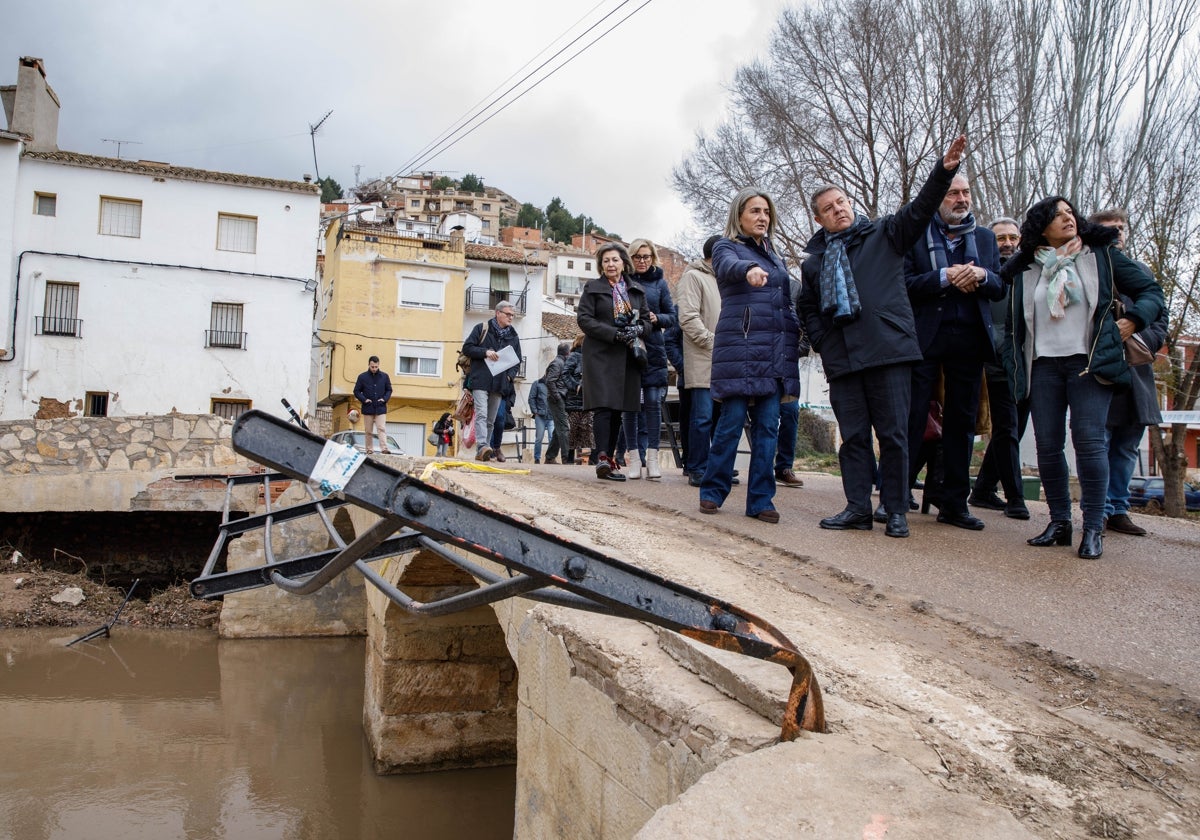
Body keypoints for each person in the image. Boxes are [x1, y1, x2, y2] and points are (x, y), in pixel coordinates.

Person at [798, 134, 968, 539]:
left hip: (888, 351)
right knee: (853, 438)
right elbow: (807, 307)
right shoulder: (815, 262)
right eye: (828, 209)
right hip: (843, 360)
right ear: (818, 220)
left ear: (850, 204)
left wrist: (943, 171)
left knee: (893, 436)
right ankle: (856, 507)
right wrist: (824, 341)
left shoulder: (885, 233)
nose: (837, 210)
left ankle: (894, 511)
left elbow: (922, 207)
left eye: (841, 202)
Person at [1002, 197, 1164, 559]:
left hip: (1088, 364)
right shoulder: (1027, 266)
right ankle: (1059, 522)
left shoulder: (1100, 256)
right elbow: (1009, 314)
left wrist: (1133, 321)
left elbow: (1152, 293)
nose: (1067, 218)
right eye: (1057, 215)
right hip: (1042, 365)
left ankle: (1093, 527)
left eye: (1069, 212)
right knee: (1047, 446)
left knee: (1089, 443)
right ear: (1041, 226)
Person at [902, 174, 1005, 530]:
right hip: (926, 338)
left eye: (965, 192)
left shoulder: (985, 238)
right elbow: (906, 284)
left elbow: (999, 285)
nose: (961, 199)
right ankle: (897, 494)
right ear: (937, 199)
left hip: (970, 341)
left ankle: (954, 503)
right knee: (913, 417)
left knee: (962, 425)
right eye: (953, 193)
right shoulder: (916, 236)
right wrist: (945, 276)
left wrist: (980, 274)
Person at [701, 188, 803, 524]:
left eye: (766, 212)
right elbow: (729, 266)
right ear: (739, 215)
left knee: (768, 429)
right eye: (755, 211)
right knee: (730, 424)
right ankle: (712, 492)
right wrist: (747, 270)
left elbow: (785, 302)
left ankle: (761, 500)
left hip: (774, 352)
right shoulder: (725, 247)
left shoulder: (774, 254)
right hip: (742, 350)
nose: (762, 217)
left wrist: (798, 334)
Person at [1090, 208, 1169, 537]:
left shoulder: (1140, 272)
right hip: (1101, 369)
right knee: (1100, 442)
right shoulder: (1089, 269)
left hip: (1136, 370)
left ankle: (1118, 508)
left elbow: (1159, 319)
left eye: (1121, 228)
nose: (1117, 233)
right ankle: (1100, 509)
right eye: (1109, 228)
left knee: (1126, 446)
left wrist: (1136, 339)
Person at [969, 217, 1031, 520]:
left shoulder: (1030, 273)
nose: (1007, 243)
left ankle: (982, 489)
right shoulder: (983, 274)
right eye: (1000, 238)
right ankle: (1016, 497)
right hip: (994, 364)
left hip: (1029, 363)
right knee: (1006, 428)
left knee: (1013, 431)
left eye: (1012, 237)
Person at [577, 242, 651, 480]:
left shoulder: (636, 290)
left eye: (615, 260)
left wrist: (638, 328)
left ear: (623, 263)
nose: (611, 264)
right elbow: (584, 320)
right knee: (603, 406)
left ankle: (608, 459)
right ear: (601, 265)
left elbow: (648, 322)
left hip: (628, 356)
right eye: (606, 260)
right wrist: (613, 333)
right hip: (600, 354)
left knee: (619, 409)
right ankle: (601, 457)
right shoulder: (593, 288)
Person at [622, 239, 677, 480]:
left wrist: (657, 318)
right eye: (637, 257)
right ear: (630, 259)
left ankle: (653, 459)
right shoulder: (622, 282)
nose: (642, 261)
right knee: (630, 407)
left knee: (654, 404)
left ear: (652, 258)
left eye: (646, 256)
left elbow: (672, 316)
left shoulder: (660, 283)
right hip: (628, 349)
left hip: (654, 349)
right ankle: (634, 458)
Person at [676, 235, 722, 487]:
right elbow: (688, 318)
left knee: (719, 418)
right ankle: (696, 466)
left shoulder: (724, 280)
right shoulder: (693, 277)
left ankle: (713, 466)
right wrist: (712, 341)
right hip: (704, 357)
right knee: (702, 416)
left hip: (724, 360)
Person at [462, 301, 521, 462]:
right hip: (480, 379)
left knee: (491, 419)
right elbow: (467, 348)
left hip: (500, 382)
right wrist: (485, 352)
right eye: (508, 314)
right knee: (481, 414)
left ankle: (484, 449)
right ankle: (482, 446)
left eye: (512, 315)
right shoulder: (482, 328)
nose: (511, 317)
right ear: (498, 313)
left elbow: (517, 361)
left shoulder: (513, 336)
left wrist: (509, 376)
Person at [353, 355, 393, 455]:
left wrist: (384, 399)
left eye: (376, 367)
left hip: (380, 407)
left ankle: (384, 448)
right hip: (368, 408)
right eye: (372, 367)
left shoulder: (384, 376)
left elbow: (389, 390)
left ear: (378, 365)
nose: (374, 369)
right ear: (369, 365)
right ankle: (369, 450)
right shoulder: (362, 377)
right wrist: (364, 399)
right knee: (368, 431)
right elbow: (356, 391)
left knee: (381, 428)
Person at [561, 334, 589, 464]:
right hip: (575, 399)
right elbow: (565, 373)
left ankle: (592, 459)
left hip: (587, 398)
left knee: (588, 427)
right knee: (574, 428)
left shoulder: (590, 356)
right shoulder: (574, 356)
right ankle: (569, 458)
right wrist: (575, 386)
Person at [543, 341, 571, 464]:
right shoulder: (557, 363)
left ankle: (550, 457)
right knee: (564, 427)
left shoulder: (560, 362)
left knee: (558, 429)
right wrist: (557, 396)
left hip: (558, 397)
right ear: (567, 353)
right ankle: (566, 457)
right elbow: (549, 381)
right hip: (556, 399)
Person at [528, 373, 552, 463]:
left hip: (552, 416)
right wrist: (535, 412)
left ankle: (549, 458)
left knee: (552, 438)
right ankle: (537, 458)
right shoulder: (537, 383)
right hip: (540, 416)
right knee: (539, 438)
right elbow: (531, 398)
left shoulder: (554, 384)